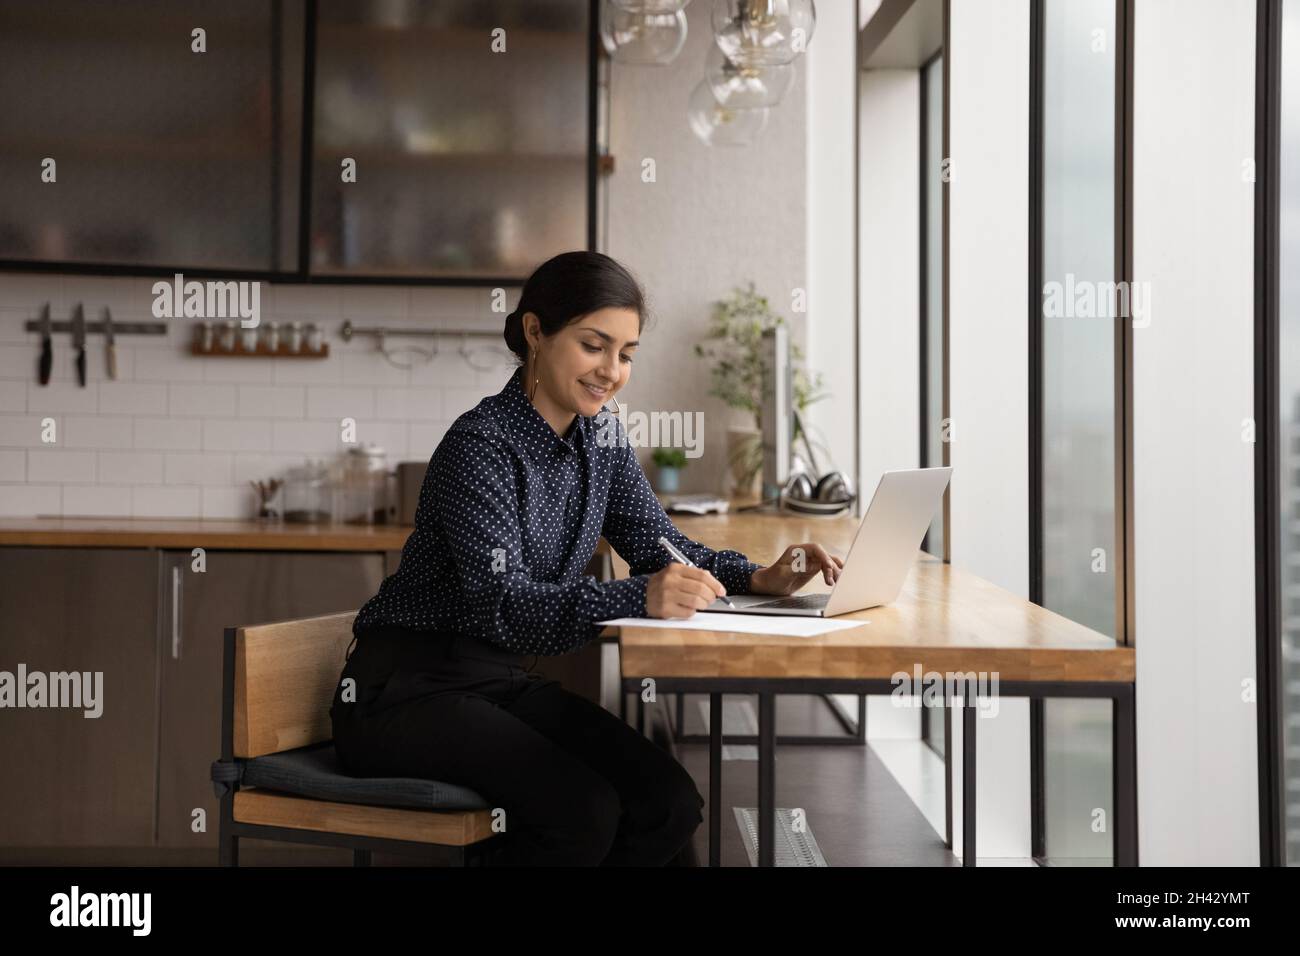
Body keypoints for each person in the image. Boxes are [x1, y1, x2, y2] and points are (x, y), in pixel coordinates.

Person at [330, 250, 843, 866]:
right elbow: (504, 606)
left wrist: (758, 576)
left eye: (625, 354)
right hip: (405, 695)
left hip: (499, 684)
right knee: (580, 811)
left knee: (669, 801)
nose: (612, 371)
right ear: (535, 332)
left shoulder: (600, 437)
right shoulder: (480, 447)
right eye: (594, 345)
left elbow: (660, 545)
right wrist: (640, 594)